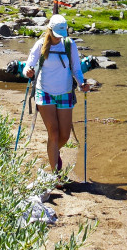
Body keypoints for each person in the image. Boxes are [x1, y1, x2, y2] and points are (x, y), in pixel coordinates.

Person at [23, 14, 90, 172]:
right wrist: (28, 72)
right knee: (53, 132)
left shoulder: (69, 44)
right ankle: (55, 173)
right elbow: (28, 65)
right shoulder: (40, 45)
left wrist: (82, 83)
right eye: (57, 34)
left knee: (65, 135)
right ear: (50, 30)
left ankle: (53, 152)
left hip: (65, 92)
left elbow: (76, 68)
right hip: (44, 92)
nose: (60, 38)